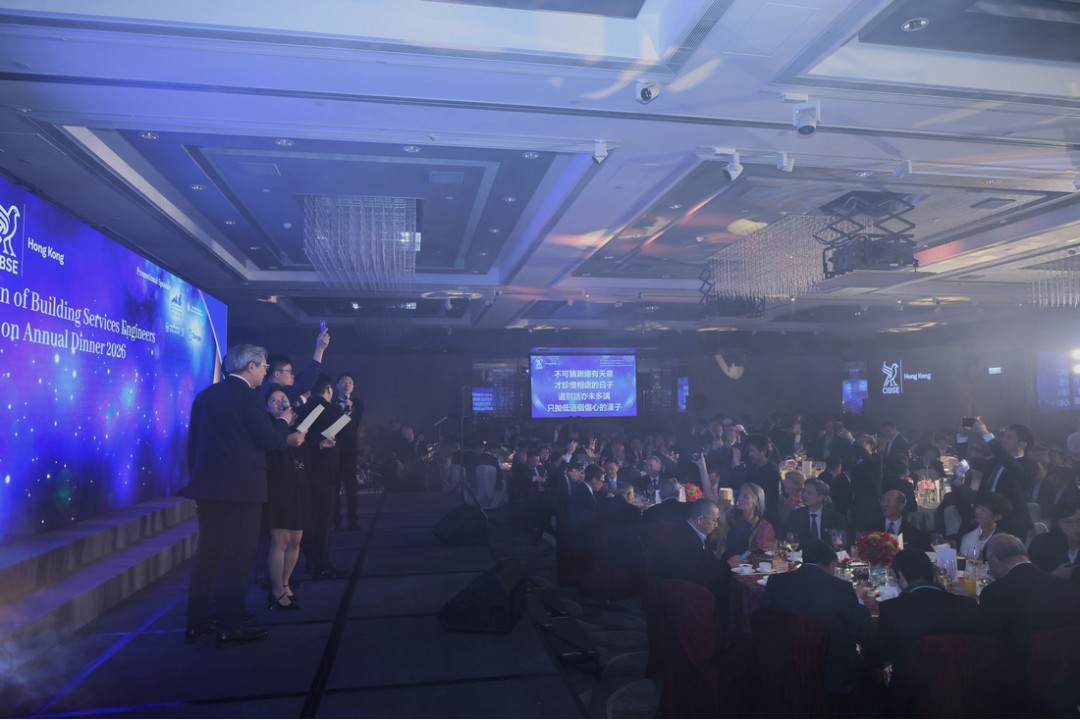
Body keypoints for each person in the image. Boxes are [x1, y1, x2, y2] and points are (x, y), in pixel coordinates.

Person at [184, 344, 305, 647]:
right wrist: (283, 422)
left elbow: (192, 444)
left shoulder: (206, 396)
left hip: (208, 488)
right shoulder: (250, 398)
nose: (266, 372)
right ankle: (230, 623)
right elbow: (269, 440)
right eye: (264, 366)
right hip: (243, 489)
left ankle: (197, 621)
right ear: (251, 366)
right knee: (238, 557)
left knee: (208, 554)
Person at [867, 549, 980, 717]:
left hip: (910, 701)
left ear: (900, 576)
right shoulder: (967, 605)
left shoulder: (892, 609)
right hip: (961, 695)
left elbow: (878, 657)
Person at [979, 534, 1080, 713]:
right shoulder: (1066, 586)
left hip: (1019, 685)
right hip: (1067, 683)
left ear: (994, 560)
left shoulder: (995, 592)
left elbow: (989, 642)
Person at [760, 541, 872, 696]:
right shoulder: (841, 588)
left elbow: (764, 624)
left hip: (784, 666)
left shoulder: (776, 582)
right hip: (831, 674)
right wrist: (858, 599)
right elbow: (861, 632)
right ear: (832, 564)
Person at [261, 386, 319, 610]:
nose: (280, 403)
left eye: (283, 398)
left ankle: (286, 584)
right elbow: (266, 452)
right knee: (280, 541)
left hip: (299, 489)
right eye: (274, 400)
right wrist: (287, 438)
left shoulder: (298, 427)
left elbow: (306, 458)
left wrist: (318, 444)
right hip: (278, 490)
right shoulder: (268, 429)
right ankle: (276, 591)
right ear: (266, 407)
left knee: (295, 540)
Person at [955, 417, 1033, 537]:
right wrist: (962, 436)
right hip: (983, 518)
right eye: (1004, 436)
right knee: (958, 539)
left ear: (1022, 444)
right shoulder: (996, 461)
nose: (1003, 440)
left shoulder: (1028, 466)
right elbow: (968, 462)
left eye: (1009, 437)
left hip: (1008, 525)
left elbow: (1009, 462)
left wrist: (985, 433)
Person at [300, 376, 342, 579]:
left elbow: (300, 437)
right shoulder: (330, 409)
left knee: (309, 519)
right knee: (323, 520)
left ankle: (309, 560)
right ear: (328, 389)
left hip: (306, 472)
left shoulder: (304, 409)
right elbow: (349, 431)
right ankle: (321, 562)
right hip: (325, 472)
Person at [263, 327, 331, 406]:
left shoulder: (263, 390)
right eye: (289, 371)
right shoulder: (277, 391)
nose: (292, 376)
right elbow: (305, 383)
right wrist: (319, 349)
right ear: (277, 374)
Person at [1028, 498, 1080, 585]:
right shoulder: (1041, 543)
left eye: (1079, 521)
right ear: (1058, 523)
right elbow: (1028, 578)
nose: (1076, 527)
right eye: (1068, 522)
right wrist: (1052, 576)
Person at [333, 372, 362, 531]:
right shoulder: (331, 402)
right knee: (334, 485)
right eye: (343, 381)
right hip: (334, 448)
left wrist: (348, 410)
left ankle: (353, 519)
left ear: (353, 386)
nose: (347, 384)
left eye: (350, 382)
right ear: (337, 385)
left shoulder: (358, 403)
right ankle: (335, 520)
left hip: (350, 449)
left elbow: (354, 426)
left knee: (351, 486)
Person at [723, 482, 776, 563]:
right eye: (740, 495)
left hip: (753, 569)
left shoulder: (765, 528)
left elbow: (768, 557)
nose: (740, 498)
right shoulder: (730, 520)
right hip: (727, 567)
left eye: (746, 496)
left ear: (757, 501)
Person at [786, 477, 845, 547]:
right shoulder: (795, 516)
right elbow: (791, 541)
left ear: (820, 497)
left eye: (809, 493)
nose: (804, 495)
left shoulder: (835, 518)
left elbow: (841, 543)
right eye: (803, 491)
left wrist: (838, 542)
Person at [957, 493, 1010, 560]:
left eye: (983, 510)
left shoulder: (1002, 539)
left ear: (997, 517)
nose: (977, 511)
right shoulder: (967, 528)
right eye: (978, 507)